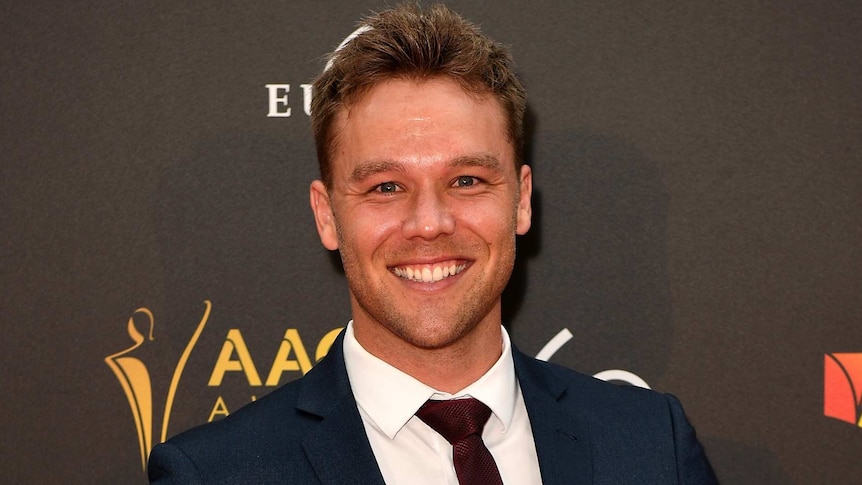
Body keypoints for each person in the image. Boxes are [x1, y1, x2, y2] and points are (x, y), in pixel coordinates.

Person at [148, 3, 717, 484]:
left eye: (466, 180)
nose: (429, 223)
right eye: (386, 187)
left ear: (520, 200)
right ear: (326, 215)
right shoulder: (216, 473)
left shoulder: (650, 446)